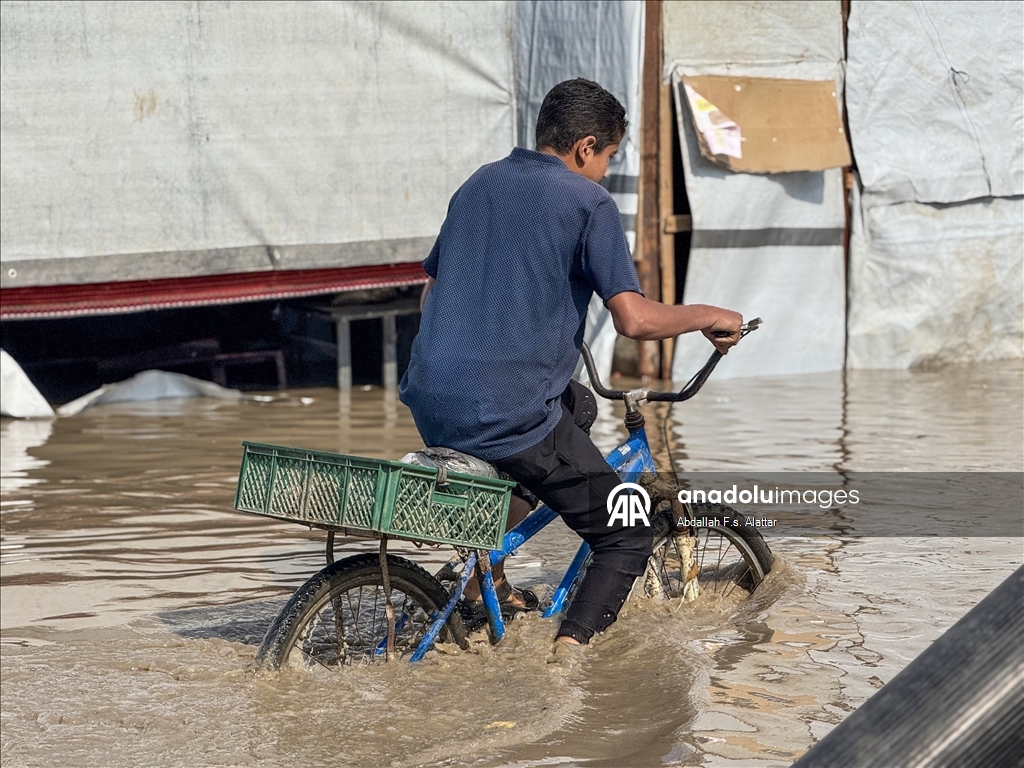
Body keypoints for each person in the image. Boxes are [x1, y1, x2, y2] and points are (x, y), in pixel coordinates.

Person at [399, 78, 742, 647]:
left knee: (577, 405)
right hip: (504, 410)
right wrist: (708, 315)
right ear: (585, 147)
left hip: (431, 395)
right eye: (608, 157)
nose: (605, 171)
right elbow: (634, 319)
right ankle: (568, 660)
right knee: (627, 533)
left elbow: (432, 293)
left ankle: (485, 574)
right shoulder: (588, 202)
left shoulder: (479, 183)